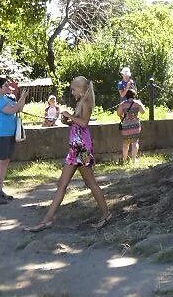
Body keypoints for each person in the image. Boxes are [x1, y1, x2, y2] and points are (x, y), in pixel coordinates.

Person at [26, 76, 110, 231]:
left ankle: (106, 214)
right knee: (62, 184)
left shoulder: (86, 103)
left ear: (81, 88)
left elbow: (84, 123)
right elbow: (78, 123)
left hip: (82, 149)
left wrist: (70, 116)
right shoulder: (80, 103)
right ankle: (47, 219)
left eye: (73, 89)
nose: (72, 92)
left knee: (91, 182)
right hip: (75, 149)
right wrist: (69, 121)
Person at [0, 77, 27, 204]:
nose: (8, 87)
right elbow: (13, 110)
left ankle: (0, 190)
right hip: (0, 135)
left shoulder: (6, 98)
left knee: (5, 162)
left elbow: (19, 108)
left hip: (9, 134)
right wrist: (22, 98)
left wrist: (23, 98)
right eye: (5, 85)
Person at [117, 87, 145, 165]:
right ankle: (133, 160)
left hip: (125, 126)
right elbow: (143, 112)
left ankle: (125, 160)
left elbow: (118, 113)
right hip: (135, 126)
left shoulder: (123, 104)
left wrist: (122, 117)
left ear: (126, 96)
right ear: (134, 95)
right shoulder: (137, 103)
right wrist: (140, 104)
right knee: (135, 142)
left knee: (125, 144)